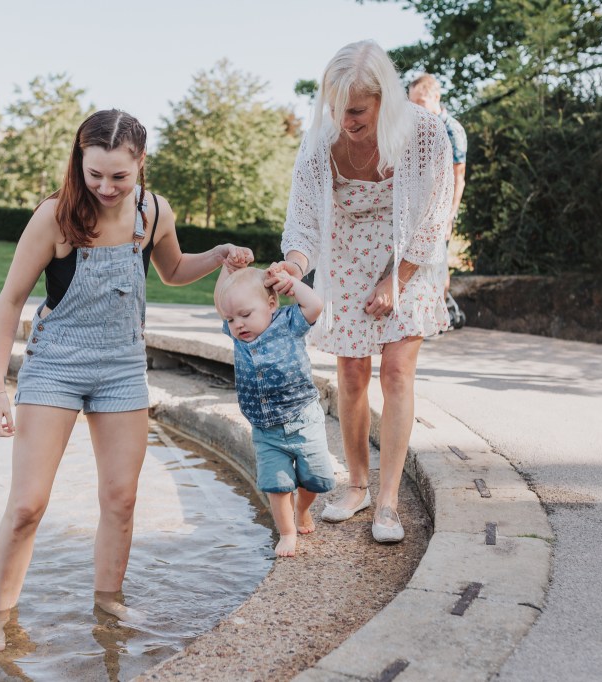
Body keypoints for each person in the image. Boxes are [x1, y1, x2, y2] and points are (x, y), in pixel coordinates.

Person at [0, 109, 253, 651]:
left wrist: (219, 255)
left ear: (141, 162)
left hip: (122, 367)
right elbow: (10, 300)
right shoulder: (55, 216)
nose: (105, 187)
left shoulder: (154, 212)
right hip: (56, 365)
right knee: (28, 505)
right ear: (79, 162)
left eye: (119, 176)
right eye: (95, 174)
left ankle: (108, 606)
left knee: (121, 498)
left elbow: (172, 270)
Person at [271, 40, 453, 543]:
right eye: (336, 109)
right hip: (347, 251)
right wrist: (293, 267)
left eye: (356, 111)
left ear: (384, 100)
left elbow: (435, 215)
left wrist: (398, 279)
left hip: (409, 253)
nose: (344, 121)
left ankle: (389, 501)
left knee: (396, 369)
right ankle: (357, 485)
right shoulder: (320, 143)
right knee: (352, 372)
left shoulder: (425, 132)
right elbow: (304, 222)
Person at [214, 265, 335, 558]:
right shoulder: (238, 336)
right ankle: (287, 532)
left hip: (303, 420)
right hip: (266, 430)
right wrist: (226, 271)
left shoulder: (288, 322)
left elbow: (315, 305)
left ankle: (302, 509)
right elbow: (221, 303)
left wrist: (291, 282)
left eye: (245, 314)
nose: (238, 324)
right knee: (277, 486)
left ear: (271, 304)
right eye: (231, 319)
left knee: (315, 480)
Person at [407, 73, 467, 301]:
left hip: (441, 209)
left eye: (420, 103)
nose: (415, 109)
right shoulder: (415, 129)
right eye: (411, 104)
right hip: (417, 208)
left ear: (436, 98)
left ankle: (441, 311)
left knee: (439, 261)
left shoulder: (452, 130)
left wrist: (449, 216)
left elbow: (458, 177)